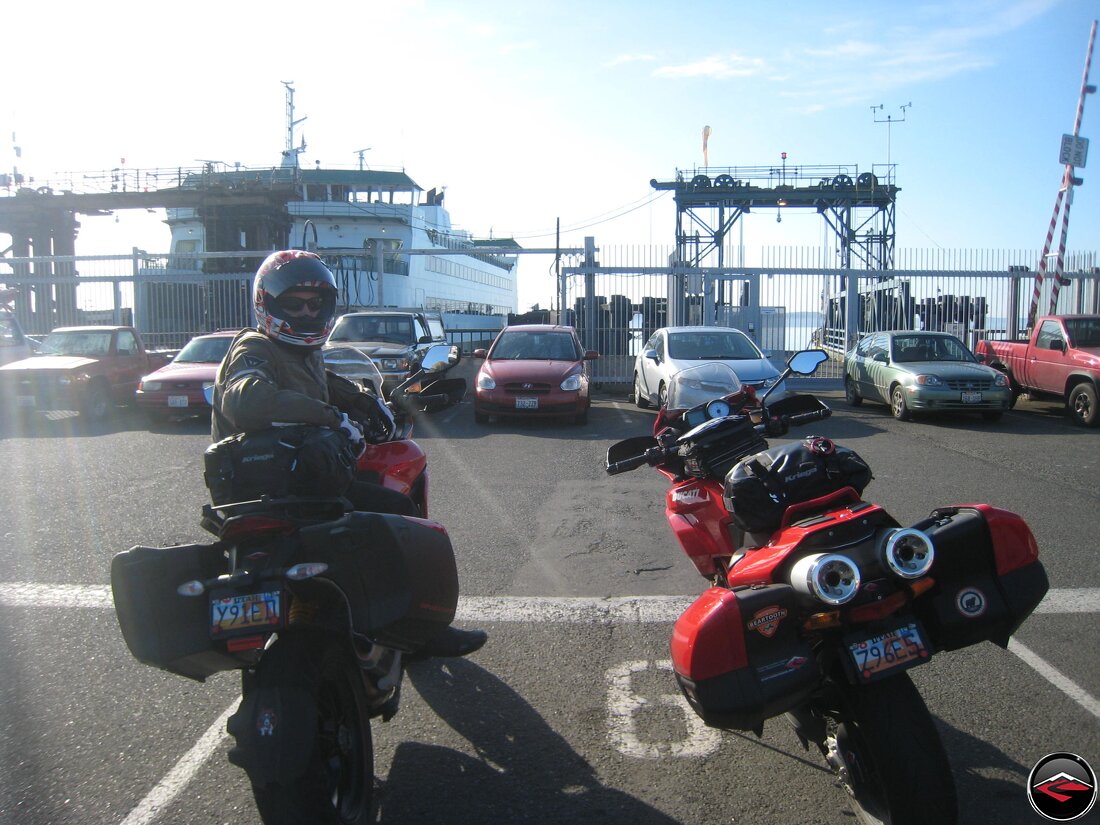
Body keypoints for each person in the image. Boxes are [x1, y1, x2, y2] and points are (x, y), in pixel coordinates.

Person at [212, 249, 486, 658]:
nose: (306, 313)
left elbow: (321, 379)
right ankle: (421, 631)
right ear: (268, 303)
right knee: (397, 510)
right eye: (294, 303)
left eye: (316, 304)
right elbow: (247, 398)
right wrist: (329, 418)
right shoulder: (254, 348)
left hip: (287, 481)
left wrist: (361, 401)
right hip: (284, 489)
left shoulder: (296, 352)